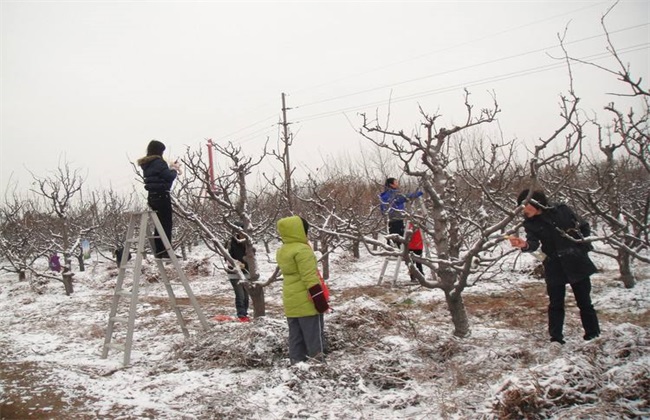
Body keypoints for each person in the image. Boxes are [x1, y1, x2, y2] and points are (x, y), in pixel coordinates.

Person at [508, 189, 600, 347]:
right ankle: (556, 339)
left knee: (584, 301)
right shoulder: (530, 223)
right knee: (556, 304)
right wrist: (525, 245)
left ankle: (593, 335)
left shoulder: (562, 210)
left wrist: (581, 248)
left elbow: (583, 226)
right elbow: (534, 244)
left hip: (576, 261)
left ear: (536, 204)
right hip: (554, 265)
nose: (523, 210)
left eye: (525, 206)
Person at [276, 215, 329, 365]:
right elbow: (310, 277)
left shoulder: (282, 250)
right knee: (313, 335)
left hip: (290, 299)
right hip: (306, 300)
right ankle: (317, 364)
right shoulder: (302, 251)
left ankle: (296, 363)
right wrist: (320, 302)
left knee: (295, 335)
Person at [137, 140, 181, 259]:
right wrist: (174, 169)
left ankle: (160, 250)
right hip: (162, 195)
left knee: (159, 224)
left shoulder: (147, 164)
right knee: (166, 223)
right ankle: (165, 251)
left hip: (152, 196)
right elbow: (169, 176)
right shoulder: (159, 162)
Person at [379, 177, 423, 247]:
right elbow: (406, 197)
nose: (397, 184)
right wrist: (419, 193)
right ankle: (396, 255)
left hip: (392, 220)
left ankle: (393, 253)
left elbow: (382, 209)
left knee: (394, 238)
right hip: (396, 220)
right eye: (396, 182)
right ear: (391, 184)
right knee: (398, 240)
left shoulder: (385, 195)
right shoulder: (392, 195)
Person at [225, 222, 250, 322]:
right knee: (240, 295)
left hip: (246, 272)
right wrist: (237, 264)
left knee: (246, 296)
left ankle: (245, 314)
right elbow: (227, 258)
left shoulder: (247, 243)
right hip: (234, 273)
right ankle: (241, 315)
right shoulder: (230, 243)